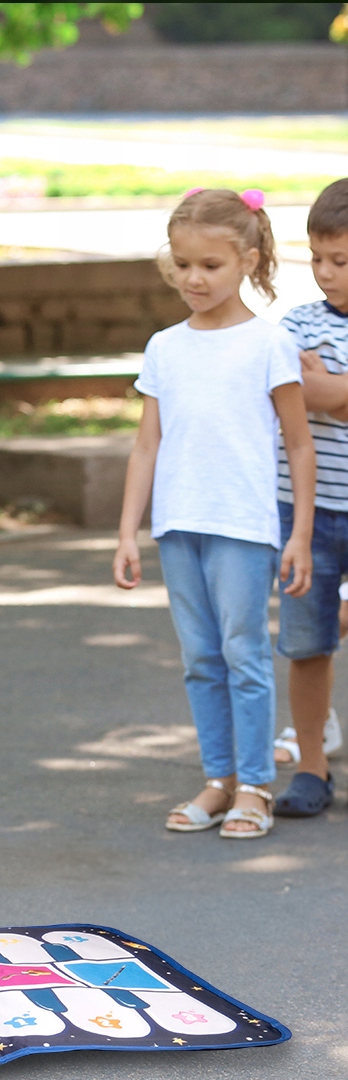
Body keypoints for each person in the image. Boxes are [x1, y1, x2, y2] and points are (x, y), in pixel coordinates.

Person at [113, 187, 316, 839]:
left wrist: (301, 535)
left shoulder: (267, 344)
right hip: (179, 526)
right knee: (201, 657)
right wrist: (128, 532)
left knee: (245, 654)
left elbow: (298, 442)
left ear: (248, 261)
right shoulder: (165, 347)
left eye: (210, 265)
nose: (193, 278)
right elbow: (148, 444)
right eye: (183, 263)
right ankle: (218, 778)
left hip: (244, 527)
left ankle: (255, 785)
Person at [267, 178, 348, 816]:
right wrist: (329, 393)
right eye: (316, 259)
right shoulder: (294, 324)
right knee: (307, 640)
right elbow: (300, 397)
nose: (325, 273)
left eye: (341, 261)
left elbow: (320, 394)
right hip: (307, 511)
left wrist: (332, 387)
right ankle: (314, 770)